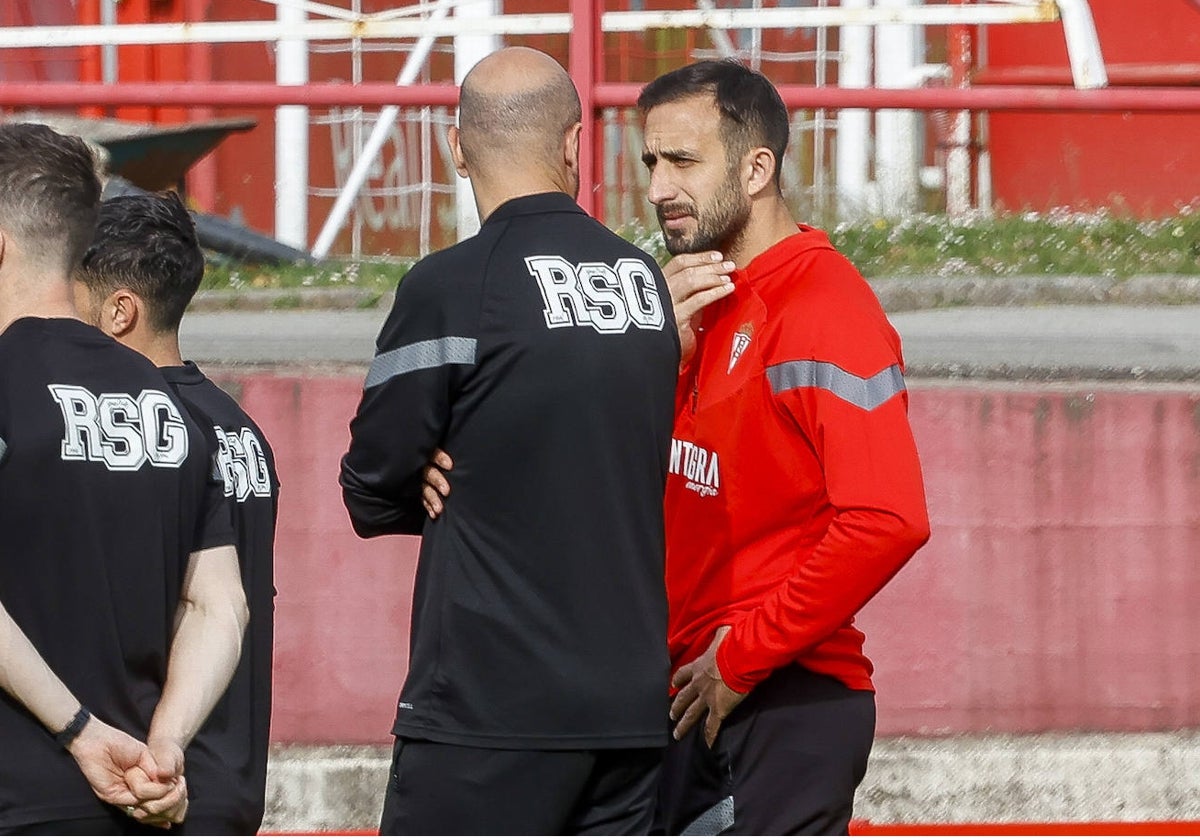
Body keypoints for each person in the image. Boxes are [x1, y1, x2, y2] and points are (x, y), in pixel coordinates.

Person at [339, 46, 680, 835]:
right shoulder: (642, 282)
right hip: (629, 703)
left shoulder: (450, 285)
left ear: (456, 151)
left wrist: (421, 478)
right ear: (573, 145)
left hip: (489, 709)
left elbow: (368, 482)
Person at [636, 60, 932, 835]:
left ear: (757, 167)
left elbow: (886, 518)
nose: (661, 185)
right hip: (692, 698)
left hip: (779, 700)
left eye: (684, 161)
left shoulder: (825, 307)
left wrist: (741, 659)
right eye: (651, 162)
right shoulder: (692, 303)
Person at [0, 122, 247, 834]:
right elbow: (219, 606)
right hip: (139, 799)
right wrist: (166, 745)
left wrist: (79, 730)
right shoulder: (167, 400)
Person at [73, 191, 280, 835]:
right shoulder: (241, 429)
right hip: (233, 780)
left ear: (118, 311)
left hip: (153, 783)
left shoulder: (133, 436)